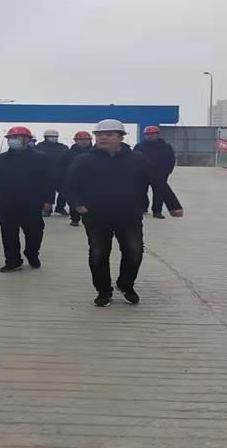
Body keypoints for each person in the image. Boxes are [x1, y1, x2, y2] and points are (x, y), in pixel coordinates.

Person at [66, 119, 183, 307]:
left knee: (134, 252)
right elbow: (70, 185)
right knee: (98, 254)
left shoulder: (138, 159)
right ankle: (103, 291)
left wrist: (173, 205)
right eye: (99, 135)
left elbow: (157, 181)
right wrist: (77, 205)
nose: (103, 138)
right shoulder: (84, 160)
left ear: (121, 137)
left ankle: (126, 285)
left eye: (109, 134)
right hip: (96, 216)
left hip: (129, 214)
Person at [0, 126, 54, 272]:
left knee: (35, 232)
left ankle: (32, 253)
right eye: (11, 138)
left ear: (27, 140)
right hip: (5, 202)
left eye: (17, 138)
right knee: (9, 233)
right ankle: (13, 261)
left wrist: (48, 200)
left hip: (31, 203)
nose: (13, 141)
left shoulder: (42, 158)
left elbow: (49, 180)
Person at [134, 125, 176, 219]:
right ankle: (143, 208)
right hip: (143, 173)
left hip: (159, 173)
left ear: (158, 134)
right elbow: (134, 159)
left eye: (152, 134)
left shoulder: (165, 146)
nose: (150, 136)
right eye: (147, 134)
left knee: (159, 192)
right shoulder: (139, 146)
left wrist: (168, 171)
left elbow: (171, 159)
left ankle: (157, 211)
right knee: (141, 191)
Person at [58, 131, 94, 227]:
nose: (83, 142)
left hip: (91, 180)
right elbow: (62, 167)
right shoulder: (69, 153)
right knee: (74, 200)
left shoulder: (95, 152)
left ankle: (90, 217)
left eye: (86, 140)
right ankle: (75, 219)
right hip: (74, 180)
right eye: (80, 140)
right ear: (76, 141)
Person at [35, 129, 70, 217]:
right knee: (47, 194)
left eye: (55, 137)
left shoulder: (63, 147)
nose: (53, 138)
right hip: (45, 175)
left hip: (61, 175)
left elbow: (68, 160)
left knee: (65, 192)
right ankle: (47, 209)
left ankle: (60, 207)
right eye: (50, 136)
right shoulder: (39, 147)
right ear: (45, 137)